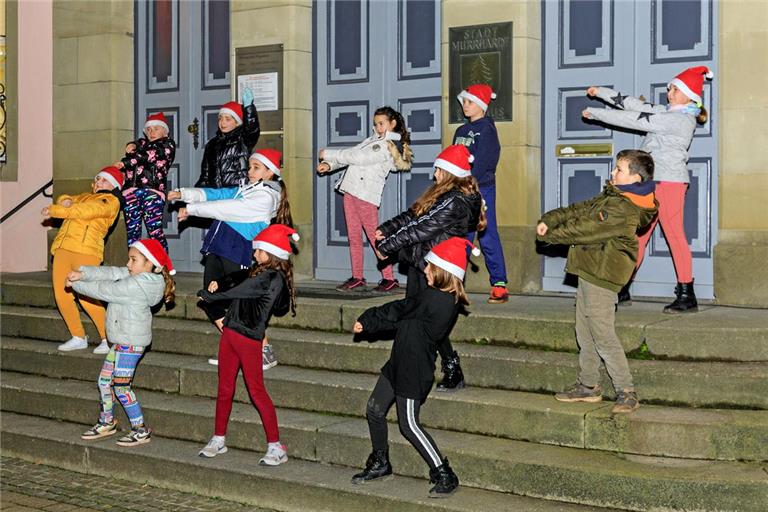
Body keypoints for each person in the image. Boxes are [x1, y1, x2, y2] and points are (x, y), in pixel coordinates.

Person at [351, 237, 479, 497]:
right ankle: (380, 462)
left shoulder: (438, 300)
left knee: (409, 424)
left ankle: (444, 473)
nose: (425, 270)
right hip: (398, 362)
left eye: (430, 267)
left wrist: (369, 320)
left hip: (413, 368)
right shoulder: (438, 295)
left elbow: (400, 308)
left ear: (442, 272)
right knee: (375, 409)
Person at [583, 66, 713, 313]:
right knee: (638, 236)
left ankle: (687, 293)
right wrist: (601, 92)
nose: (669, 92)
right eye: (670, 88)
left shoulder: (680, 119)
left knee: (675, 236)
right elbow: (633, 104)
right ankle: (622, 286)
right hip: (650, 183)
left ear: (690, 96)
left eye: (676, 89)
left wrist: (596, 113)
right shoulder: (667, 112)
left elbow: (634, 118)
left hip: (670, 183)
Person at [537, 150, 658, 414]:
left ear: (635, 178)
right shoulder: (616, 195)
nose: (613, 173)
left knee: (602, 333)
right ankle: (588, 385)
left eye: (619, 170)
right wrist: (551, 218)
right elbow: (581, 210)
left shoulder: (625, 208)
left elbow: (586, 229)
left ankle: (627, 391)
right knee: (585, 330)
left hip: (604, 275)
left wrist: (552, 234)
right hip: (590, 268)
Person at [168, 149, 291, 369]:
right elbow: (218, 194)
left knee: (239, 303)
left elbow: (231, 209)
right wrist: (183, 194)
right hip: (219, 246)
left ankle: (263, 350)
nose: (250, 171)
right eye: (250, 166)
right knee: (210, 297)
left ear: (270, 172)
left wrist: (193, 209)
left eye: (256, 167)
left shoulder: (267, 196)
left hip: (238, 248)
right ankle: (236, 347)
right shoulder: (246, 189)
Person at [376, 144, 484, 392]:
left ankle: (446, 366)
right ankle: (426, 365)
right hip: (422, 263)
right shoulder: (443, 194)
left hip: (438, 270)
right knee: (416, 317)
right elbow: (415, 215)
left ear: (449, 172)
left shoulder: (455, 200)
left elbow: (421, 227)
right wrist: (389, 227)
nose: (434, 174)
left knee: (427, 320)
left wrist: (388, 246)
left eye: (438, 170)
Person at [195, 224, 298, 466]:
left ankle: (276, 446)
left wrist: (211, 296)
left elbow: (242, 290)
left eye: (257, 251)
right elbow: (237, 277)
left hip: (249, 338)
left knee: (256, 391)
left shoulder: (273, 278)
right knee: (224, 388)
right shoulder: (258, 271)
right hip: (230, 333)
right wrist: (218, 282)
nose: (253, 254)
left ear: (269, 252)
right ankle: (218, 438)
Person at [71, 239, 176, 446]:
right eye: (129, 258)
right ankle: (107, 422)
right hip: (122, 341)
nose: (128, 264)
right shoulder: (137, 274)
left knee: (121, 387)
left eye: (133, 259)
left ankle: (140, 429)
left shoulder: (139, 284)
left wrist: (76, 284)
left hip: (131, 343)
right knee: (104, 382)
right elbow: (111, 273)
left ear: (150, 264)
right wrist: (83, 273)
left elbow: (107, 290)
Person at [317, 106, 413, 292]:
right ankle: (357, 276)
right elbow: (352, 155)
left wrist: (328, 154)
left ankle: (389, 278)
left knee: (374, 236)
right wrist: (329, 165)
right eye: (376, 124)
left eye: (381, 123)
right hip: (351, 191)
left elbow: (360, 158)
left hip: (366, 194)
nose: (378, 127)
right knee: (353, 236)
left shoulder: (388, 145)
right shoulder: (372, 139)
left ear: (392, 124)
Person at [42, 166, 123, 354]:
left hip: (86, 251)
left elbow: (86, 211)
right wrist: (66, 200)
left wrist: (58, 210)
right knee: (62, 295)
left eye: (105, 180)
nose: (99, 183)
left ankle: (108, 338)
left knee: (87, 297)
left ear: (115, 185)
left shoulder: (110, 201)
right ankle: (78, 336)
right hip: (63, 249)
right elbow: (66, 199)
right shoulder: (85, 196)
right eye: (98, 179)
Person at [453, 84, 508, 304]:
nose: (465, 106)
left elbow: (486, 160)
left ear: (482, 105)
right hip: (459, 189)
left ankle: (499, 284)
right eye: (464, 102)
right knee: (460, 236)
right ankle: (455, 281)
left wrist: (471, 181)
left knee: (487, 234)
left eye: (470, 102)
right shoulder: (460, 131)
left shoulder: (486, 129)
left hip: (481, 188)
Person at [114, 112, 176, 251]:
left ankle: (162, 266)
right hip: (131, 192)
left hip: (152, 192)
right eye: (148, 129)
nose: (151, 132)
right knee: (132, 232)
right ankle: (135, 265)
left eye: (156, 129)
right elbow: (138, 144)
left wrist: (126, 162)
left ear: (165, 132)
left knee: (154, 231)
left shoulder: (167, 145)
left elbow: (148, 156)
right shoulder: (142, 144)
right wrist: (131, 144)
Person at [195, 89, 260, 188]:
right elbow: (205, 175)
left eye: (228, 119)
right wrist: (196, 193)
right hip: (216, 194)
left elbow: (252, 129)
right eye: (220, 118)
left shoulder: (243, 139)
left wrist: (248, 109)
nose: (222, 122)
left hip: (237, 193)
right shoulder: (211, 144)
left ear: (237, 122)